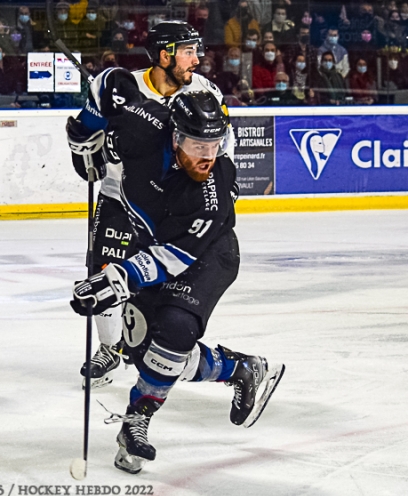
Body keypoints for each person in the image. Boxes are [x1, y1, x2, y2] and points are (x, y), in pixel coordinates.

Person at [70, 80, 284, 473]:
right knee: (139, 348)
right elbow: (109, 85)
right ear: (175, 135)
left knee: (174, 330)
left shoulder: (213, 188)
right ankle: (239, 369)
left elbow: (173, 258)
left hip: (207, 254)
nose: (208, 157)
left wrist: (118, 278)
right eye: (199, 146)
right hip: (151, 242)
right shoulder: (143, 125)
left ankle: (135, 423)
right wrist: (84, 133)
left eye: (215, 146)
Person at [66, 21, 233, 389]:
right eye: (187, 51)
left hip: (165, 205)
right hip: (118, 194)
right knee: (102, 269)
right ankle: (110, 347)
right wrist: (88, 146)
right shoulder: (127, 89)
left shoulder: (205, 92)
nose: (196, 59)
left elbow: (224, 146)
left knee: (155, 278)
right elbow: (89, 135)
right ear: (163, 55)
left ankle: (158, 344)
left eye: (195, 50)